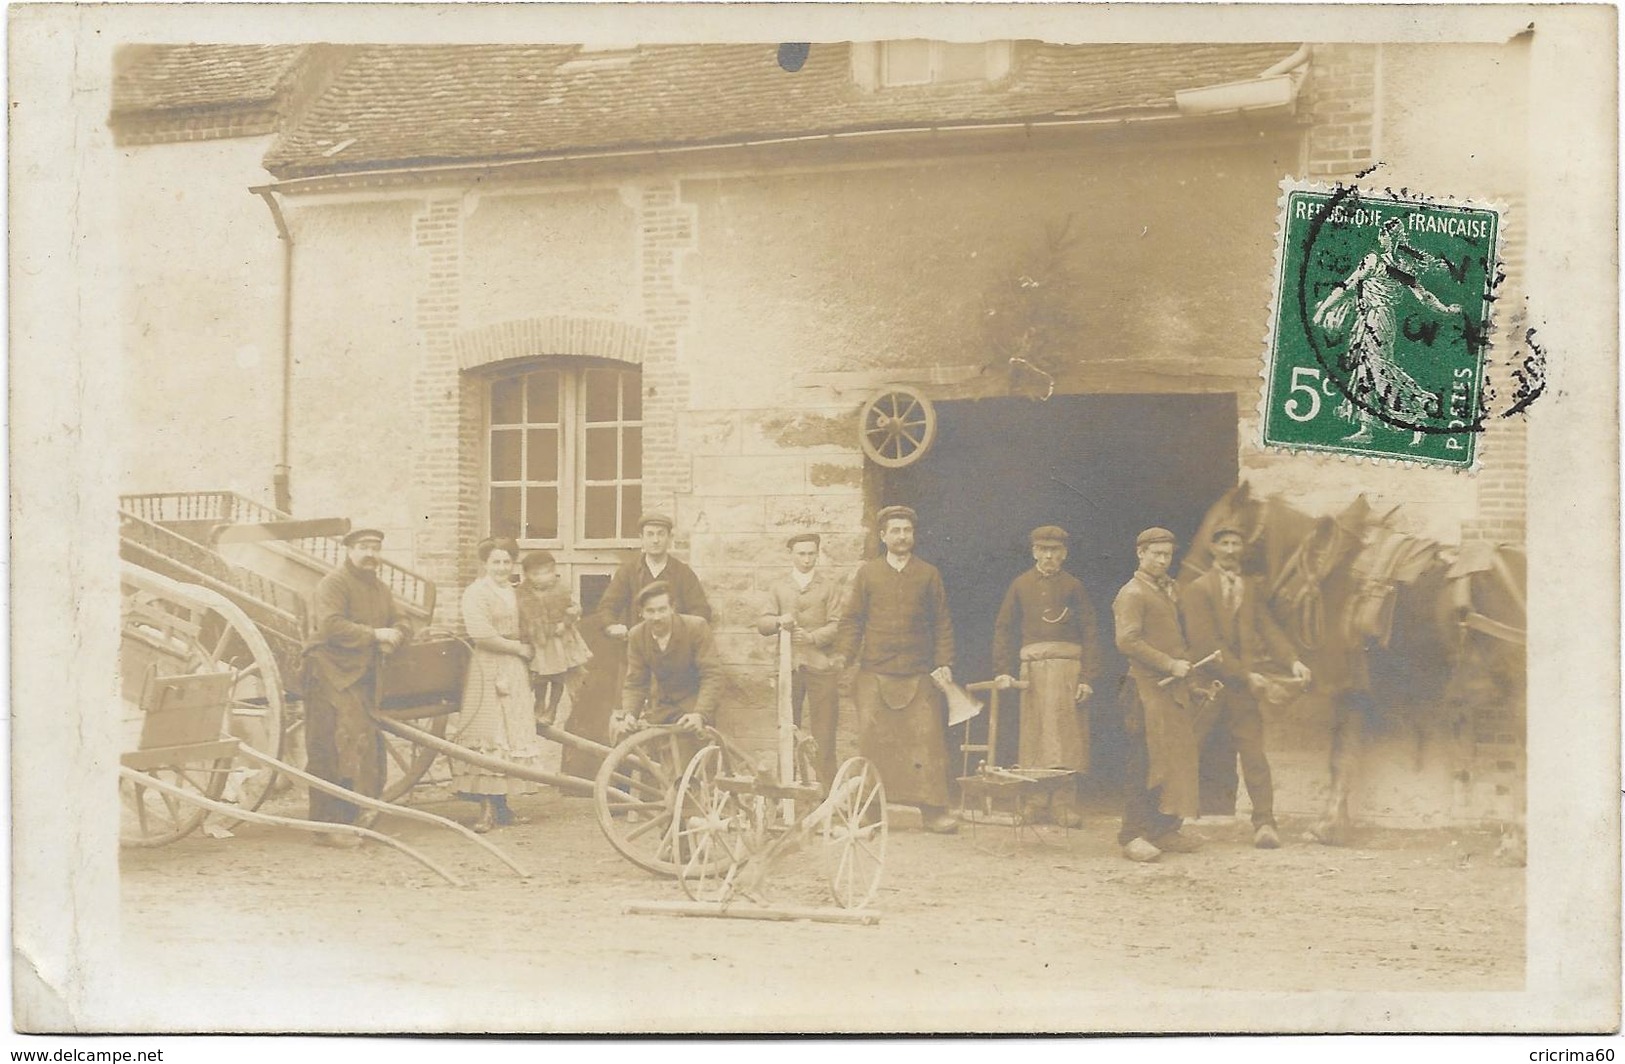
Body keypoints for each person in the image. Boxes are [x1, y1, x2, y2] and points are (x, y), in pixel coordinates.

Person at [1182, 525, 1312, 850]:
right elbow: (1205, 646)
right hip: (1207, 686)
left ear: (1242, 549)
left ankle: (1265, 824)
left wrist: (1292, 661)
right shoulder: (1198, 589)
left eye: (1235, 543)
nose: (1229, 550)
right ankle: (1163, 823)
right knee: (1186, 751)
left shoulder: (1249, 588)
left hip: (1241, 689)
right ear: (1212, 549)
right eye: (1223, 543)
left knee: (1254, 754)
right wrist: (1246, 674)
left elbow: (1267, 628)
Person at [833, 505, 959, 834]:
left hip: (918, 672)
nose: (902, 536)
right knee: (872, 742)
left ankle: (933, 812)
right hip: (876, 670)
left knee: (927, 741)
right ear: (883, 536)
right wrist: (844, 657)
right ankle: (869, 813)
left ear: (913, 535)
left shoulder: (928, 574)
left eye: (907, 531)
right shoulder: (868, 573)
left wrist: (943, 661)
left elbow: (942, 621)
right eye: (896, 531)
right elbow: (852, 620)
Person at [302, 527, 413, 847]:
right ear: (349, 550)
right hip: (328, 671)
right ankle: (327, 826)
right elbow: (331, 626)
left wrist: (396, 637)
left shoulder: (379, 587)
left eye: (376, 548)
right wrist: (375, 635)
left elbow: (402, 621)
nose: (371, 554)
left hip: (360, 674)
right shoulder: (333, 584)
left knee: (362, 746)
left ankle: (354, 816)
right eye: (364, 547)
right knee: (332, 746)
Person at [1311, 216, 1464, 445]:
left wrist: (1323, 309)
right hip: (1374, 319)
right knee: (1366, 370)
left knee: (1379, 370)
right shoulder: (1399, 267)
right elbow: (1424, 296)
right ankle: (1367, 428)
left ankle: (1418, 409)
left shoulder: (1374, 261)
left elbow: (1347, 286)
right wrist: (1445, 309)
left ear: (1387, 238)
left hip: (1376, 319)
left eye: (1383, 233)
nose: (1380, 237)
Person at [991, 524, 1101, 827]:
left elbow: (1091, 632)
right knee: (1034, 738)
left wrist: (1087, 678)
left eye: (1055, 551)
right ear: (1034, 552)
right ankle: (1034, 802)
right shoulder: (1021, 585)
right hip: (1033, 674)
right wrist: (1002, 670)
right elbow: (1003, 628)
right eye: (1044, 550)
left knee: (1067, 739)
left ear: (1064, 554)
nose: (1049, 556)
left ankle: (1063, 804)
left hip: (1068, 672)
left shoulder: (1074, 587)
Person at [1112, 527, 1208, 862]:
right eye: (1156, 554)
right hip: (1143, 689)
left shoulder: (1168, 591)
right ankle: (1132, 835)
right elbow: (1127, 641)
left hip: (1171, 689)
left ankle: (1164, 830)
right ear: (1140, 553)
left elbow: (1177, 639)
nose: (1163, 560)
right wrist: (1169, 664)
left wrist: (1190, 678)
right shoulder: (1132, 593)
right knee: (1144, 762)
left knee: (1173, 760)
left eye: (1168, 555)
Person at [455, 537, 548, 833]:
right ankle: (486, 808)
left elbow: (532, 623)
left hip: (516, 670)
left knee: (511, 732)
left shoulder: (516, 592)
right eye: (496, 561)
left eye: (507, 561)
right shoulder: (476, 593)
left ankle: (503, 806)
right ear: (485, 564)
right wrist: (518, 648)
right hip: (488, 665)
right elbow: (480, 634)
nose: (501, 567)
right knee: (490, 733)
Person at [755, 532, 845, 787]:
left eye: (811, 553)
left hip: (820, 665)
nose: (806, 559)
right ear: (791, 555)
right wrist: (777, 621)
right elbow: (762, 623)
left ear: (818, 554)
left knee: (824, 730)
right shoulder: (779, 587)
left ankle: (826, 790)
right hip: (788, 667)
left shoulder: (829, 587)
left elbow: (838, 624)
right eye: (801, 554)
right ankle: (788, 786)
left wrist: (813, 637)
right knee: (787, 727)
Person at [611, 582, 724, 739]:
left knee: (687, 753)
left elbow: (712, 675)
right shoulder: (637, 635)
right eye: (650, 611)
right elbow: (636, 682)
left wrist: (700, 714)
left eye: (662, 610)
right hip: (662, 706)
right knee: (628, 739)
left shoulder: (696, 627)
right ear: (641, 612)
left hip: (694, 704)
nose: (656, 617)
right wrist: (630, 713)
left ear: (672, 608)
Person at [595, 513, 712, 639]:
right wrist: (611, 626)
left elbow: (701, 611)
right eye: (650, 534)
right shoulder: (628, 572)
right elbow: (607, 606)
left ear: (669, 538)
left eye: (661, 534)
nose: (655, 540)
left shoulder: (683, 573)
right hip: (636, 646)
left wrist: (681, 631)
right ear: (642, 538)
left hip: (675, 647)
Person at [517, 549, 592, 730]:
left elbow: (575, 609)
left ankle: (553, 707)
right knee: (541, 675)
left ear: (553, 571)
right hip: (538, 641)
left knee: (558, 675)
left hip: (559, 641)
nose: (542, 578)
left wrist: (565, 623)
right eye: (536, 574)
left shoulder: (562, 589)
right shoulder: (522, 593)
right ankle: (540, 703)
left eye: (547, 572)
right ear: (527, 575)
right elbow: (519, 616)